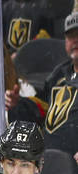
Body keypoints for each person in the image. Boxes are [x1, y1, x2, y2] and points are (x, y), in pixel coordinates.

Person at [40, 12, 78, 159]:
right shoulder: (59, 73)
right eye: (70, 36)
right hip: (50, 160)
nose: (75, 40)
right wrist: (18, 103)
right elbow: (40, 108)